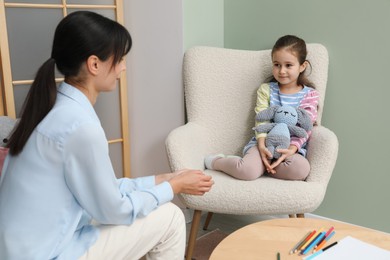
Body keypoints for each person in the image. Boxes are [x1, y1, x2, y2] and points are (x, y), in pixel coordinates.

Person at [0, 11, 214, 260]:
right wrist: (173, 186)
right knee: (170, 217)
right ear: (94, 64)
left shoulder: (51, 107)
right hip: (48, 253)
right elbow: (114, 210)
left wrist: (161, 178)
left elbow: (101, 191)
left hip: (24, 248)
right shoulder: (79, 126)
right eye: (120, 58)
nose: (123, 67)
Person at [205, 35, 319, 181]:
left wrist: (291, 149)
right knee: (247, 172)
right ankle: (217, 162)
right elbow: (261, 119)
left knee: (301, 169)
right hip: (264, 144)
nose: (282, 71)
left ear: (302, 66)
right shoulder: (266, 90)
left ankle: (265, 168)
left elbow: (305, 127)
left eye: (288, 65)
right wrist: (261, 145)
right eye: (277, 65)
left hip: (291, 150)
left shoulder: (310, 94)